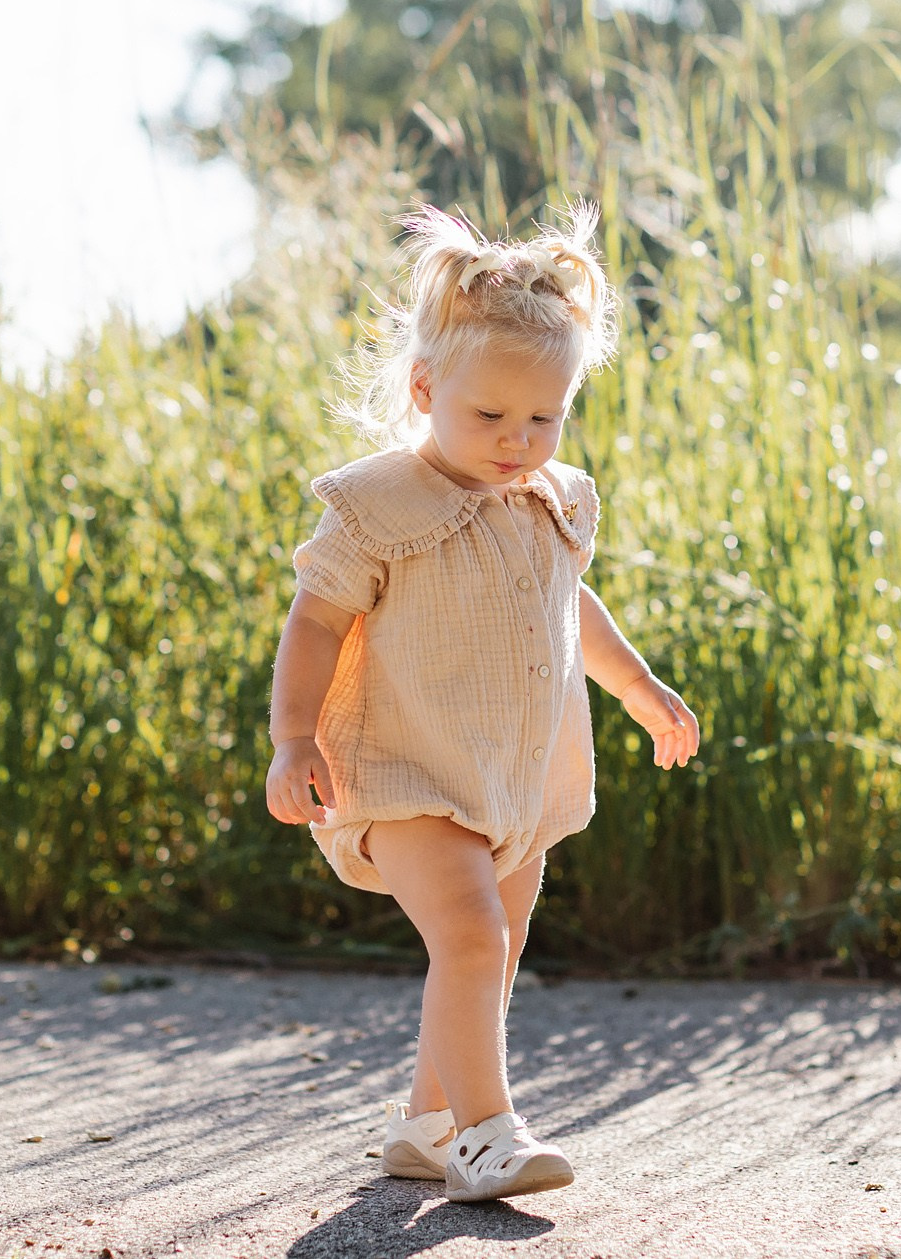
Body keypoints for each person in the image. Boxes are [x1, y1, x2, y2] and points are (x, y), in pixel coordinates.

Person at [263, 204, 702, 1203]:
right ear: (426, 390)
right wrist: (293, 740)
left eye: (541, 419)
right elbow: (316, 625)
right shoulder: (382, 507)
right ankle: (489, 1135)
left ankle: (427, 1126)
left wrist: (636, 686)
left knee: (490, 949)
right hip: (406, 773)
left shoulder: (552, 500)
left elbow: (568, 603)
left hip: (511, 776)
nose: (517, 442)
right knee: (469, 935)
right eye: (489, 419)